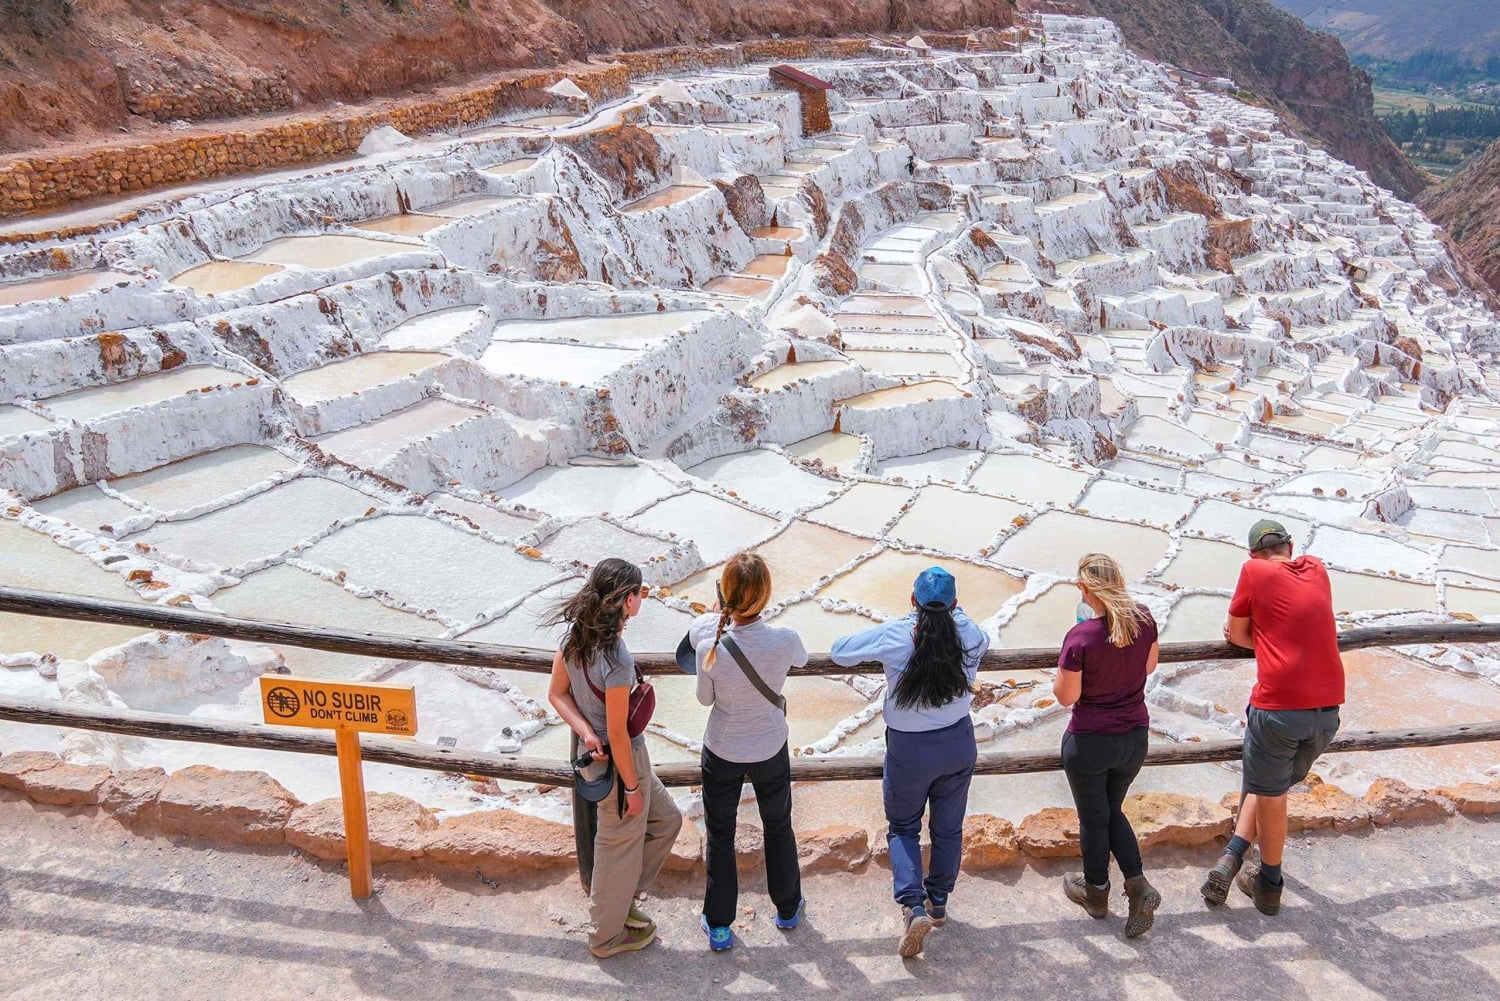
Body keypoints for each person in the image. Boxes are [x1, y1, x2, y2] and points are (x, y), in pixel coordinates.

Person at [830, 566, 988, 959]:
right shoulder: (969, 634)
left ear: (913, 601)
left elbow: (839, 651)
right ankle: (938, 902)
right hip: (957, 741)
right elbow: (981, 635)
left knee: (903, 826)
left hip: (909, 749)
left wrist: (906, 620)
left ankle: (913, 905)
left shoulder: (898, 634)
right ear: (954, 603)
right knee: (948, 828)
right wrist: (957, 613)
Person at [1202, 519, 1344, 916]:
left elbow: (1237, 634)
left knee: (1272, 794)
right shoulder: (1315, 568)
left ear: (1251, 555)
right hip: (1327, 712)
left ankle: (1269, 883)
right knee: (1270, 788)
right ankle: (1231, 859)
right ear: (1291, 546)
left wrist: (1264, 640)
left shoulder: (1253, 571)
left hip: (1279, 706)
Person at [547, 559, 683, 957]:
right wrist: (631, 788)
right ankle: (606, 937)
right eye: (640, 592)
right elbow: (620, 732)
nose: (642, 598)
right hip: (621, 763)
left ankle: (619, 900)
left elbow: (557, 693)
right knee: (615, 843)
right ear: (626, 601)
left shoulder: (575, 639)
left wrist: (585, 732)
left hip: (594, 756)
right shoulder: (617, 659)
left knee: (667, 820)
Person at [688, 553, 808, 951]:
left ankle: (720, 925)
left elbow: (706, 700)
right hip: (770, 745)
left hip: (723, 748)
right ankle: (788, 909)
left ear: (725, 596)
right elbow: (803, 659)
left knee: (721, 834)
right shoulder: (785, 640)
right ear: (766, 595)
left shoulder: (711, 646)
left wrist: (711, 621)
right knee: (778, 825)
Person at [1053, 553, 1162, 938]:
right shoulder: (1145, 619)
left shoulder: (1080, 637)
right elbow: (1147, 667)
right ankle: (1136, 884)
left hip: (1090, 742)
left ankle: (1097, 892)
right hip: (1135, 736)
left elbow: (1066, 697)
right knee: (1111, 810)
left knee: (1094, 817)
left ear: (1084, 589)